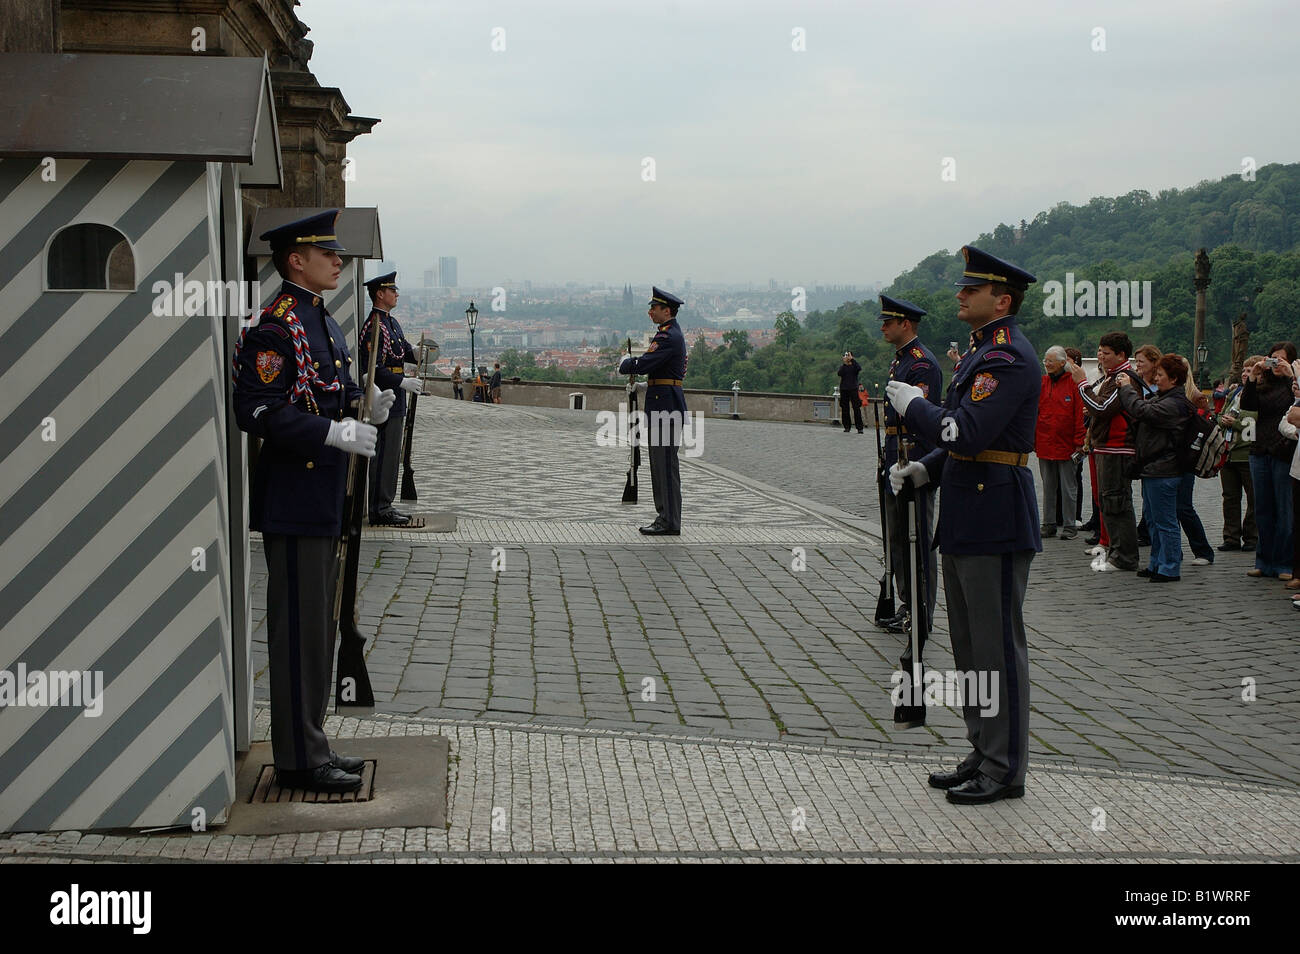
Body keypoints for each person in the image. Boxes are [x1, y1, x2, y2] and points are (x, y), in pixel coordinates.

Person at [232, 210, 395, 793]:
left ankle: (312, 742)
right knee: (300, 632)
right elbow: (256, 410)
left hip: (323, 493)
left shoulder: (318, 319)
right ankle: (300, 759)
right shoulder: (277, 326)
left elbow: (327, 389)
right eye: (326, 253)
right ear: (295, 259)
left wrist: (364, 402)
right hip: (296, 497)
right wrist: (332, 433)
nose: (338, 261)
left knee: (317, 629)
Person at [887, 245, 1040, 806]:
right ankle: (983, 746)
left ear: (1002, 300)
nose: (960, 294)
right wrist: (924, 472)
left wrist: (913, 408)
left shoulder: (1007, 358)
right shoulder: (980, 353)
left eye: (971, 290)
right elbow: (958, 446)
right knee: (971, 646)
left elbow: (966, 433)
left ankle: (1006, 767)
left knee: (999, 647)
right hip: (967, 511)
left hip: (996, 514)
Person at [875, 295, 942, 651]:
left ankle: (922, 610)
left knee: (917, 538)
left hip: (913, 454)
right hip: (893, 453)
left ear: (906, 324)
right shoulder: (901, 359)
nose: (883, 326)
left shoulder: (922, 363)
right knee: (897, 537)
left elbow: (921, 415)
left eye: (889, 321)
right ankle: (906, 603)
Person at [1116, 356, 1195, 582]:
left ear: (1174, 379)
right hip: (1153, 468)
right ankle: (1157, 563)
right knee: (1153, 520)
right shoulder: (1166, 398)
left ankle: (1169, 567)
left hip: (1165, 470)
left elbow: (1141, 410)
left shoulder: (1174, 403)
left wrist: (1126, 389)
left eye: (1160, 375)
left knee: (1166, 522)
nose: (1156, 379)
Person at [619, 287, 688, 535]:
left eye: (654, 308)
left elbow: (646, 363)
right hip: (663, 404)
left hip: (666, 409)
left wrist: (626, 365)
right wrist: (643, 386)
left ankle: (668, 521)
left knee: (665, 466)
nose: (650, 312)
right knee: (660, 466)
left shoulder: (668, 337)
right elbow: (663, 375)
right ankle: (665, 517)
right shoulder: (669, 335)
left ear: (666, 310)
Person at [360, 272, 420, 527]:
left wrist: (419, 353)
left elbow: (404, 352)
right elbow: (372, 367)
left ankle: (386, 503)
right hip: (384, 397)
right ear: (380, 294)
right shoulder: (374, 325)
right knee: (383, 454)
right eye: (391, 290)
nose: (396, 293)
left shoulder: (392, 323)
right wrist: (402, 382)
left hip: (397, 397)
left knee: (393, 453)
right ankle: (379, 508)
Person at [1080, 332, 1139, 571]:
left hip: (1118, 447)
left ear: (1121, 355)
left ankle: (1124, 556)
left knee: (1116, 500)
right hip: (1106, 446)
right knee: (1108, 500)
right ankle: (1116, 551)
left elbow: (1101, 407)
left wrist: (1082, 384)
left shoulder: (1124, 378)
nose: (1101, 356)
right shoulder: (1112, 377)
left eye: (1106, 352)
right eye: (1100, 351)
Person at [1241, 342, 1298, 580]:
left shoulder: (1291, 385)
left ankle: (1284, 563)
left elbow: (1294, 402)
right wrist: (1252, 379)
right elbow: (1247, 407)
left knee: (1284, 510)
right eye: (1272, 358)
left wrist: (1290, 375)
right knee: (1262, 508)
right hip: (1259, 449)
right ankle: (1263, 560)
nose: (1275, 364)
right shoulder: (1262, 384)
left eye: (1281, 360)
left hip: (1284, 450)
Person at [1036, 345, 1085, 540]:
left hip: (1067, 445)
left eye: (1050, 361)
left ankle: (1070, 525)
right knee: (1048, 487)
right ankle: (1048, 524)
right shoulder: (1042, 383)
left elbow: (1079, 415)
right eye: (1045, 361)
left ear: (1062, 363)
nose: (1047, 364)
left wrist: (1079, 441)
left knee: (1068, 488)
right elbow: (1035, 412)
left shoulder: (1073, 384)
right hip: (1045, 443)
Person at [1216, 357, 1260, 552]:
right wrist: (1221, 420)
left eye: (1250, 370)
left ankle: (1251, 537)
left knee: (1253, 499)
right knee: (1230, 497)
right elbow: (1220, 414)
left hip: (1247, 452)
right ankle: (1231, 537)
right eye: (1244, 370)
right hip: (1228, 452)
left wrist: (1232, 422)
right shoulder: (1235, 392)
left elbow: (1253, 424)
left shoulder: (1259, 394)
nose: (1245, 373)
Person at [1176, 365, 1215, 566]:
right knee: (1170, 509)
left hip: (1187, 456)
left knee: (1183, 507)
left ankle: (1203, 550)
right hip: (1171, 456)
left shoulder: (1196, 396)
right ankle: (1174, 551)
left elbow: (1204, 426)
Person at [837, 352, 865, 433]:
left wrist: (852, 360)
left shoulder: (854, 366)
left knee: (856, 408)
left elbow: (859, 368)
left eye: (848, 355)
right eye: (845, 356)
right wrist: (845, 363)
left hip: (853, 388)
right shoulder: (843, 367)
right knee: (845, 408)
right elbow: (839, 373)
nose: (846, 357)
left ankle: (859, 428)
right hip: (844, 389)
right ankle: (847, 426)